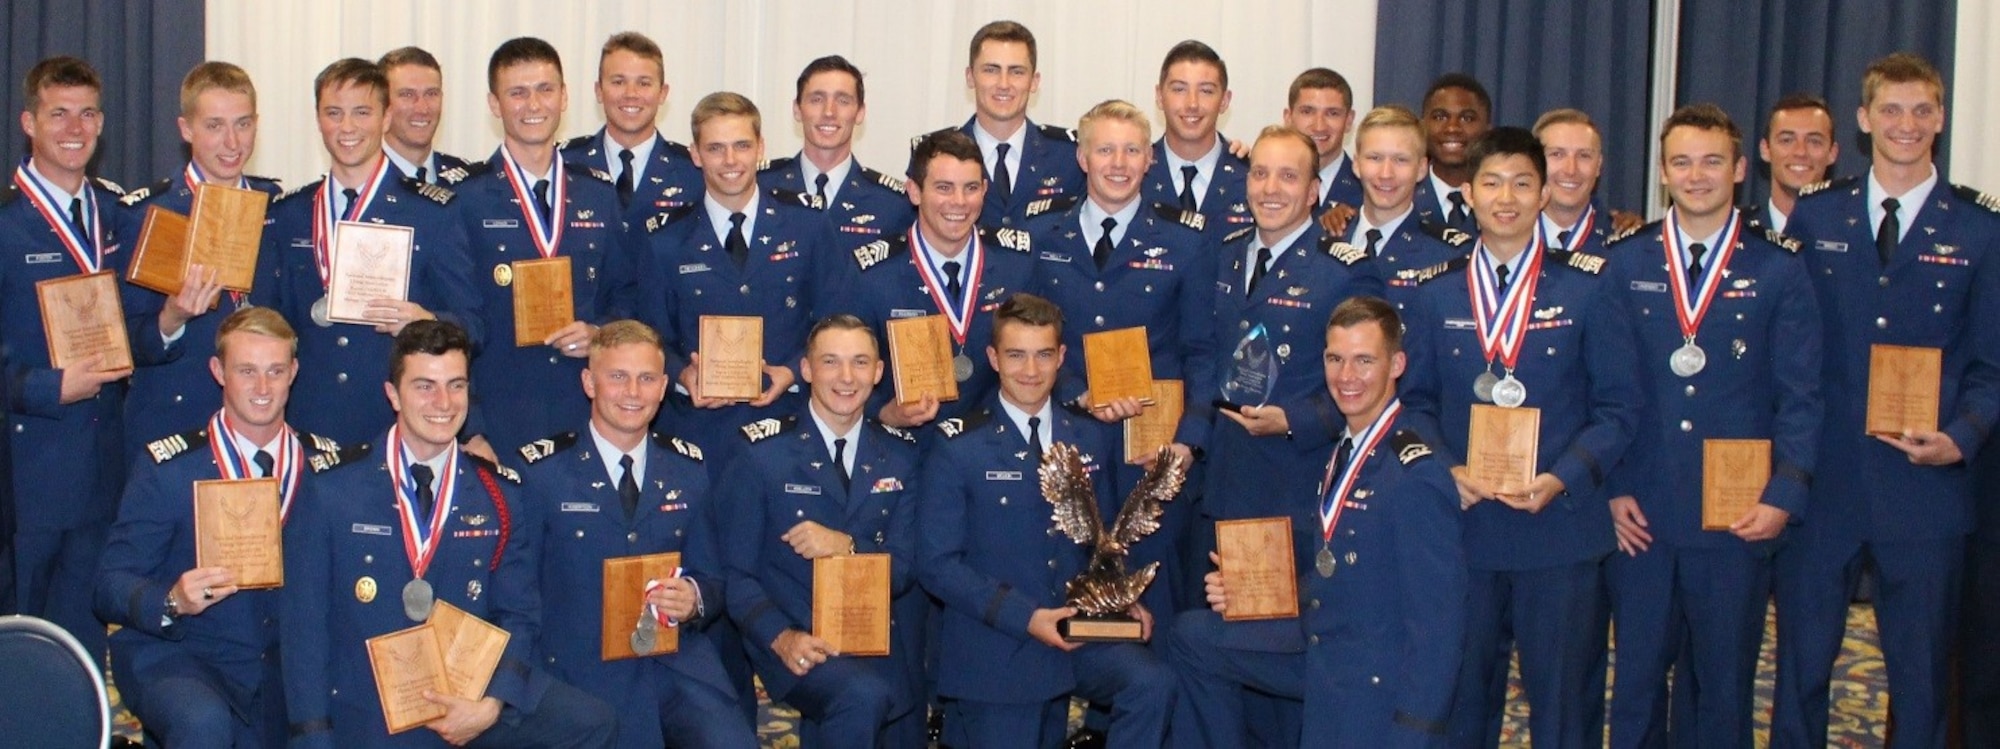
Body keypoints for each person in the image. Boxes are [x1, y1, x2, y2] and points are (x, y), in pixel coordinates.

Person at [1775, 52, 2000, 749]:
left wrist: (1962, 435)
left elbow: (1993, 363)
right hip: (1826, 482)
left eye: (1922, 111)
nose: (1907, 125)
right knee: (1800, 670)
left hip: (1925, 489)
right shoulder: (1816, 217)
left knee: (1922, 676)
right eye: (1892, 111)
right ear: (1866, 121)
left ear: (1939, 120)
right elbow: (1793, 356)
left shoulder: (1981, 229)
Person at [1397, 126, 1641, 749]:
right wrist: (1447, 469)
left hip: (1559, 531)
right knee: (1460, 702)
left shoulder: (1590, 288)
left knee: (1564, 708)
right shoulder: (1432, 294)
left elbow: (1618, 409)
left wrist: (1564, 476)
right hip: (1465, 531)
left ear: (1542, 195)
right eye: (1492, 183)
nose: (1506, 197)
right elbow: (1411, 404)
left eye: (1522, 183)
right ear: (1469, 196)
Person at [281, 320, 615, 748]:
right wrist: (312, 736)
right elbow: (304, 626)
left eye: (456, 386)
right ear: (393, 395)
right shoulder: (332, 488)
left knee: (593, 723)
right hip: (369, 698)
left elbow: (518, 615)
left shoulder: (499, 493)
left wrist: (492, 704)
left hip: (467, 690)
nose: (443, 402)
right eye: (425, 386)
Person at [1601, 103, 1822, 749]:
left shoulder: (1778, 268)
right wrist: (1611, 487)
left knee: (1724, 687)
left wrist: (1784, 493)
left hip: (1737, 514)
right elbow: (1608, 391)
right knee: (1637, 683)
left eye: (1711, 161)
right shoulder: (1625, 261)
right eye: (1682, 162)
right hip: (1639, 514)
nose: (1696, 175)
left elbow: (1801, 396)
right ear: (1663, 172)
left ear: (1740, 168)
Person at [1168, 295, 1465, 748]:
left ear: (1398, 364)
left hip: (1370, 680)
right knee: (1193, 636)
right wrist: (1252, 595)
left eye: (1364, 361)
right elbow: (1338, 569)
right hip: (1325, 638)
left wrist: (1415, 731)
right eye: (1335, 359)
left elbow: (1439, 624)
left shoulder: (1414, 474)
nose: (1347, 377)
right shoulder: (1345, 448)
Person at [918, 293, 1173, 748]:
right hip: (999, 642)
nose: (1031, 371)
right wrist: (1026, 616)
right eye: (1016, 355)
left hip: (1079, 630)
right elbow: (936, 564)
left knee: (1151, 684)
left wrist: (1116, 597)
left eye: (1043, 355)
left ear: (1062, 358)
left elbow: (1104, 538)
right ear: (994, 358)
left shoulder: (1091, 435)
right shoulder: (958, 445)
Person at [95, 307, 336, 747]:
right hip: (185, 656)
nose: (262, 388)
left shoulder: (327, 469)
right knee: (202, 722)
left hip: (287, 666)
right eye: (246, 371)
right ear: (217, 371)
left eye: (275, 371)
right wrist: (171, 600)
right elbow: (108, 585)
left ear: (294, 372)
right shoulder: (168, 468)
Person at [517, 320, 756, 749]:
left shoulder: (689, 468)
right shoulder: (541, 474)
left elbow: (713, 576)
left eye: (646, 379)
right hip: (579, 664)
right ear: (589, 382)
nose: (632, 393)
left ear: (664, 387)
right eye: (618, 377)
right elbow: (520, 593)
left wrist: (694, 598)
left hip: (674, 660)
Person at [1021, 98, 1208, 617]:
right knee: (1060, 583)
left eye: (1131, 150)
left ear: (1151, 159)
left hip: (1151, 451)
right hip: (1066, 442)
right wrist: (1071, 391)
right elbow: (1024, 336)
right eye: (1105, 149)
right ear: (1082, 157)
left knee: (1154, 590)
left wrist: (1187, 442)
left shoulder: (1186, 240)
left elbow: (1201, 351)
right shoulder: (1040, 234)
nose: (1119, 163)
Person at [718, 314, 927, 748]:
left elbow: (906, 569)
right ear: (807, 370)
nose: (846, 377)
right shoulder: (761, 454)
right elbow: (734, 574)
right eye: (830, 362)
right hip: (793, 633)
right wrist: (780, 636)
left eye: (860, 362)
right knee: (860, 698)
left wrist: (846, 546)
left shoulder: (901, 456)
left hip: (877, 634)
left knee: (894, 706)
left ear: (879, 372)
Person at [253, 57, 482, 448]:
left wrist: (425, 321)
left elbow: (474, 327)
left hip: (396, 426)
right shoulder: (288, 213)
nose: (347, 128)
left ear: (387, 117)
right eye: (334, 113)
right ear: (318, 119)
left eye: (362, 112)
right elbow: (267, 320)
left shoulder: (432, 213)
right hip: (305, 424)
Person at [637, 91, 842, 476]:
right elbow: (650, 336)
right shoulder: (664, 240)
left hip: (790, 430)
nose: (730, 161)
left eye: (742, 146)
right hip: (697, 438)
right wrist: (683, 374)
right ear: (695, 154)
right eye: (715, 148)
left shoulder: (808, 226)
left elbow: (837, 321)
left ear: (761, 148)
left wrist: (795, 371)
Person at [2, 55, 133, 657]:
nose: (74, 128)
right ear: (29, 122)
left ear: (102, 123)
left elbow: (133, 332)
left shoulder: (116, 215)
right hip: (25, 480)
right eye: (59, 114)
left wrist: (174, 321)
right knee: (20, 648)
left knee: (81, 648)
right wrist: (49, 387)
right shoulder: (6, 226)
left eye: (86, 114)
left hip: (103, 472)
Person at [454, 37, 638, 461]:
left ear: (565, 96)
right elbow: (455, 327)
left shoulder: (598, 193)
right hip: (499, 423)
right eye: (517, 92)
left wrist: (599, 333)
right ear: (494, 104)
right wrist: (470, 430)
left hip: (588, 417)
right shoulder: (465, 198)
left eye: (544, 89)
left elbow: (627, 296)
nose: (533, 104)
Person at [116, 61, 284, 463]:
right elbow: (122, 340)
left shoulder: (277, 207)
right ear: (186, 129)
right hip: (177, 425)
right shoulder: (147, 214)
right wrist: (171, 318)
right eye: (214, 126)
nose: (231, 142)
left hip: (262, 422)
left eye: (243, 124)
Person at [835, 129, 1037, 434]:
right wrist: (884, 411)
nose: (958, 202)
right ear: (914, 191)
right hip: (905, 448)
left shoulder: (1017, 263)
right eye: (944, 187)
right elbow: (840, 365)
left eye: (970, 188)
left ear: (984, 189)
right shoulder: (872, 273)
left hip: (995, 450)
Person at [759, 55, 916, 254]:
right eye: (817, 99)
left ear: (860, 112)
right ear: (797, 110)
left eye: (843, 101)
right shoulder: (760, 188)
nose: (829, 112)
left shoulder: (894, 204)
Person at [950, 20, 1083, 230]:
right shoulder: (935, 154)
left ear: (1034, 81)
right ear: (970, 77)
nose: (1004, 84)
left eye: (1017, 72)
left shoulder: (1070, 156)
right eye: (991, 70)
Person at [558, 32, 704, 223]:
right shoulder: (563, 164)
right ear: (599, 91)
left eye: (644, 83)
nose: (631, 94)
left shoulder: (695, 172)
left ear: (662, 93)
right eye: (618, 82)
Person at [1344, 105, 1468, 311]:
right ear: (1356, 164)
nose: (1386, 173)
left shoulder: (1450, 255)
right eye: (1375, 158)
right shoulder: (1324, 241)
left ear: (1421, 169)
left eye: (1400, 160)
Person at [1140, 40, 1249, 236]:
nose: (1192, 103)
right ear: (1159, 96)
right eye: (1179, 89)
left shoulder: (1250, 177)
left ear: (1224, 101)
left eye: (1206, 91)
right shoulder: (1134, 173)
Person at [378, 47, 472, 186]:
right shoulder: (363, 182)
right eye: (407, 94)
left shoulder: (467, 181)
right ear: (383, 104)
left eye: (431, 94)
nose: (422, 108)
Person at [1414, 74, 1493, 233]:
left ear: (1487, 130)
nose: (1452, 128)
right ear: (1422, 126)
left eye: (1467, 118)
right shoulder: (1400, 198)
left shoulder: (1503, 202)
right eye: (1440, 117)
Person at [1283, 67, 1364, 215]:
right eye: (1307, 112)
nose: (1319, 126)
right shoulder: (1264, 184)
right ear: (1288, 117)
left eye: (1332, 113)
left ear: (1349, 120)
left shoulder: (1368, 190)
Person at [1756, 93, 1840, 234]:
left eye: (1814, 141)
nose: (1800, 152)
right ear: (1765, 149)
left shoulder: (1852, 236)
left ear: (1832, 153)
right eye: (1787, 140)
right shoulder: (1734, 233)